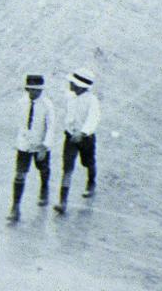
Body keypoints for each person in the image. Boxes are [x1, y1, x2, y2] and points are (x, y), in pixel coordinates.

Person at [7, 74, 56, 223]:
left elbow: (51, 127)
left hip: (40, 144)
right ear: (27, 89)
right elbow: (20, 124)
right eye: (32, 90)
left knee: (43, 169)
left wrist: (44, 146)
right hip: (24, 145)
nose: (35, 93)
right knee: (19, 175)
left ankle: (44, 188)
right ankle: (15, 207)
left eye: (38, 90)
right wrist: (21, 141)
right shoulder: (21, 103)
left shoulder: (47, 105)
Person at [54, 68, 101, 215]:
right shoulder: (70, 97)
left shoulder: (92, 101)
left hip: (85, 139)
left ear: (80, 86)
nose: (70, 84)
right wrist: (70, 130)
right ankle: (63, 201)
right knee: (67, 169)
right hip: (70, 138)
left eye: (73, 83)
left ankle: (91, 182)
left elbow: (93, 118)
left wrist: (82, 133)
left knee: (88, 162)